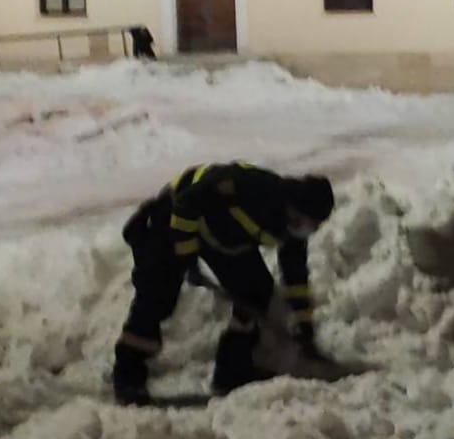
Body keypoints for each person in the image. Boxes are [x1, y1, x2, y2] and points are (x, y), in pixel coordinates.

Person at [110, 163, 335, 404]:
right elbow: (187, 202)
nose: (303, 229)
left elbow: (295, 276)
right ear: (291, 204)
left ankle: (232, 372)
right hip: (174, 217)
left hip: (223, 237)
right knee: (157, 295)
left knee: (255, 292)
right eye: (301, 221)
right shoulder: (253, 188)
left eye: (311, 226)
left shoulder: (291, 230)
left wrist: (304, 323)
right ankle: (128, 378)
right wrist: (186, 255)